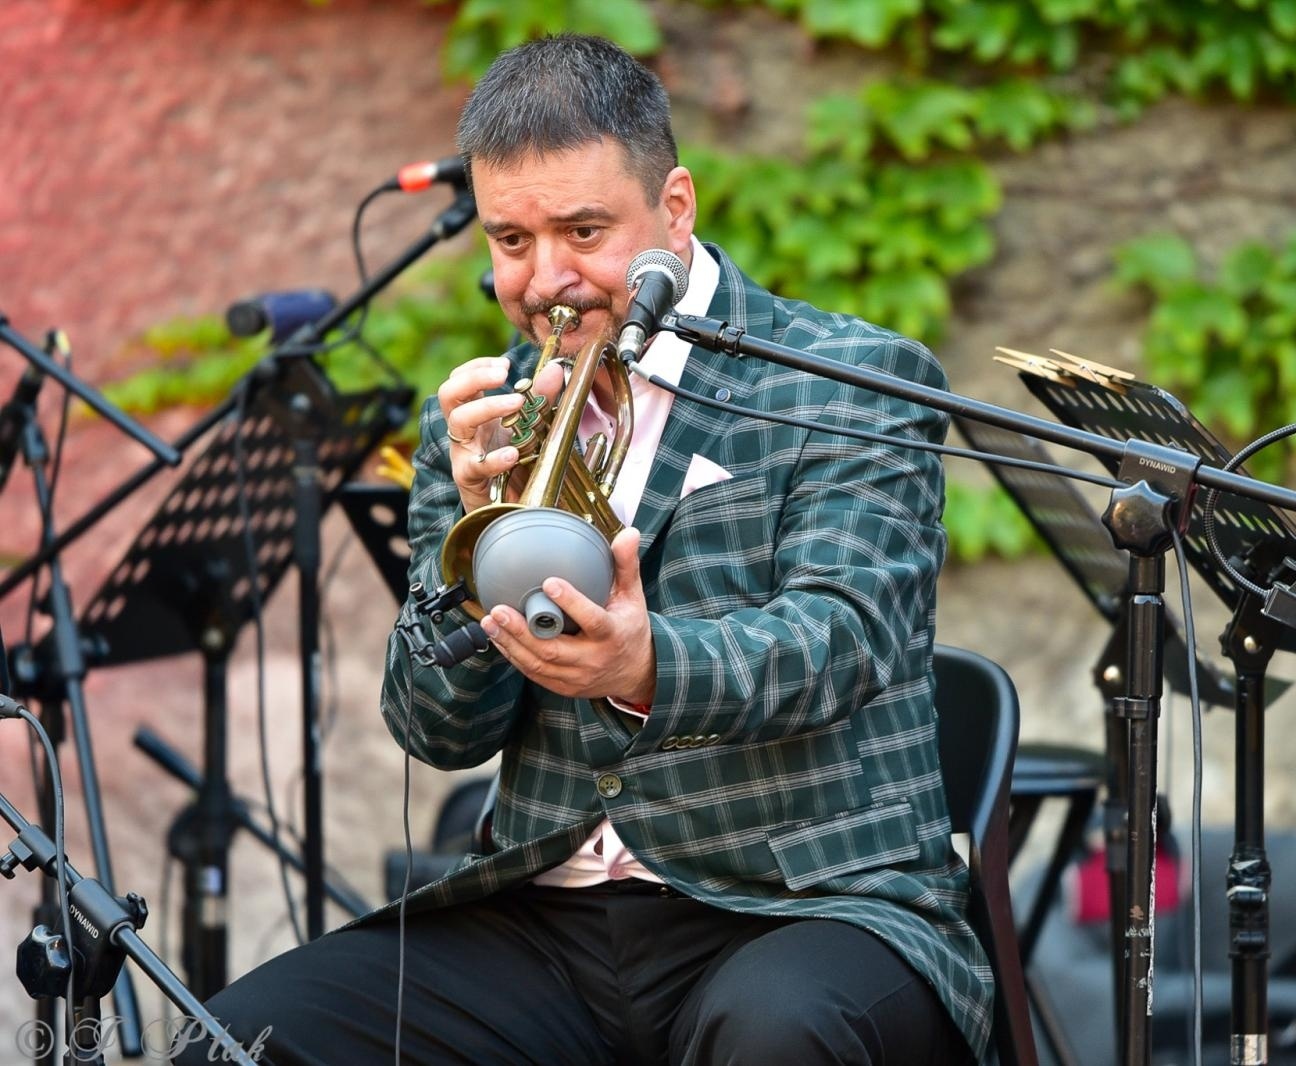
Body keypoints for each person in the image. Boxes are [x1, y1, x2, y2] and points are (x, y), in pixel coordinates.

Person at [184, 33, 989, 1065]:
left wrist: (646, 667)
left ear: (676, 208)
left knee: (777, 1036)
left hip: (802, 902)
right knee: (245, 1039)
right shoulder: (482, 420)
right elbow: (435, 733)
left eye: (582, 230)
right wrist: (464, 574)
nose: (546, 279)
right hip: (548, 910)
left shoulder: (849, 381)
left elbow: (842, 640)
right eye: (510, 241)